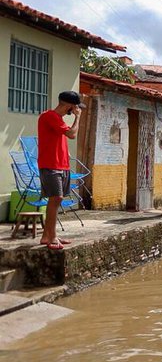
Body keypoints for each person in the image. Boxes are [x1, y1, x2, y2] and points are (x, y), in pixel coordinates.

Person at [37, 91, 82, 250]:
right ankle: (51, 237)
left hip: (62, 165)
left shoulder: (59, 120)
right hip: (51, 165)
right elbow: (72, 134)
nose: (75, 110)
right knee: (56, 198)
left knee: (58, 200)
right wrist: (78, 118)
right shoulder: (49, 116)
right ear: (69, 105)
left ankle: (47, 235)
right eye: (75, 107)